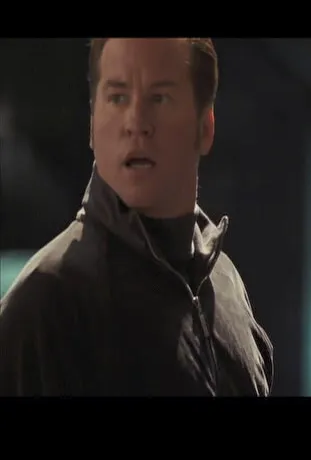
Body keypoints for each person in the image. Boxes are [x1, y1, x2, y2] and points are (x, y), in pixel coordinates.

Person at [0, 38, 273, 396]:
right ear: (93, 124)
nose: (136, 122)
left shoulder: (226, 286)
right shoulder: (46, 304)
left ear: (205, 127)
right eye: (117, 97)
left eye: (159, 98)